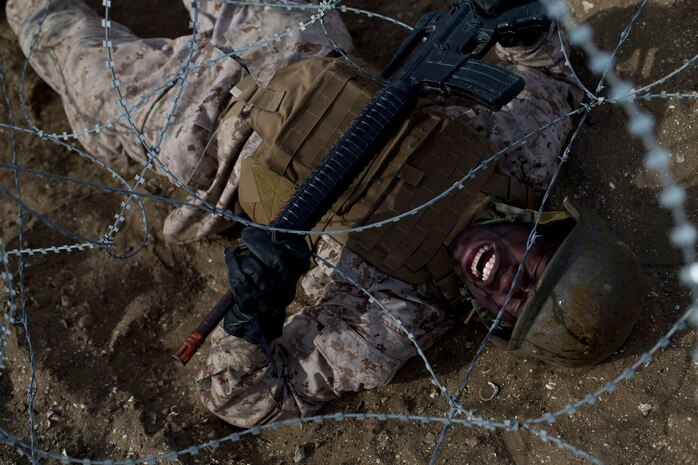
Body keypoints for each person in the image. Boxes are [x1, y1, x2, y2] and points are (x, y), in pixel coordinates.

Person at [7, 0, 644, 428]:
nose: (511, 280)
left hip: (197, 135)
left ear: (495, 324)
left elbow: (245, 399)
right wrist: (524, 26)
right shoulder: (522, 161)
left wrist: (252, 318)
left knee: (61, 39)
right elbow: (552, 79)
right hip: (291, 43)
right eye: (540, 267)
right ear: (548, 228)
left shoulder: (394, 320)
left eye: (519, 303)